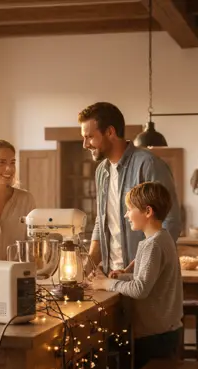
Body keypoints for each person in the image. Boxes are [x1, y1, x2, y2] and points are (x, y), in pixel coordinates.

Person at [89, 181, 184, 369]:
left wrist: (106, 284)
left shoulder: (153, 245)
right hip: (165, 329)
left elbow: (141, 289)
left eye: (130, 209)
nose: (127, 214)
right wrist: (124, 276)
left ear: (148, 211)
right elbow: (146, 277)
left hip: (154, 334)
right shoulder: (157, 240)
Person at [78, 102, 181, 278]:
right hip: (113, 277)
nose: (85, 144)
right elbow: (101, 222)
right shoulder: (101, 171)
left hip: (146, 278)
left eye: (90, 137)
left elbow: (170, 224)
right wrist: (86, 269)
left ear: (110, 132)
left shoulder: (148, 164)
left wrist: (131, 270)